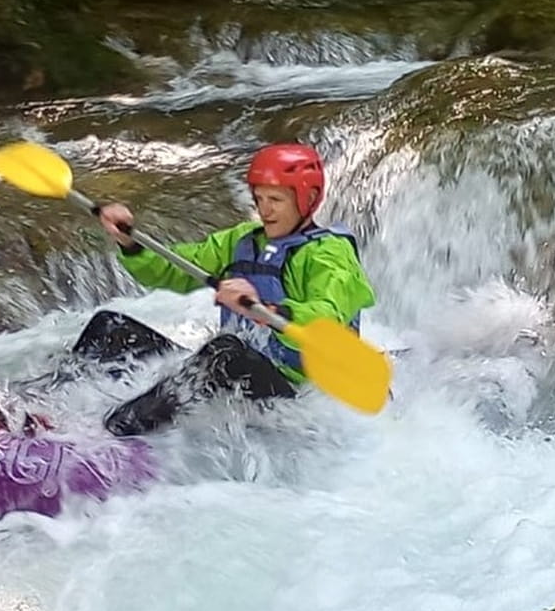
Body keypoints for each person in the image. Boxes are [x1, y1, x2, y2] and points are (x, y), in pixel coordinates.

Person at [72, 143, 376, 436]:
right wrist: (130, 242)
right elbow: (171, 269)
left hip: (298, 393)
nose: (265, 210)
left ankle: (111, 435)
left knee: (224, 352)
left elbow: (328, 317)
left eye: (276, 200)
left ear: (307, 198)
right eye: (259, 198)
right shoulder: (243, 240)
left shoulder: (330, 253)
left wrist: (269, 311)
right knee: (109, 326)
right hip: (235, 378)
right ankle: (56, 407)